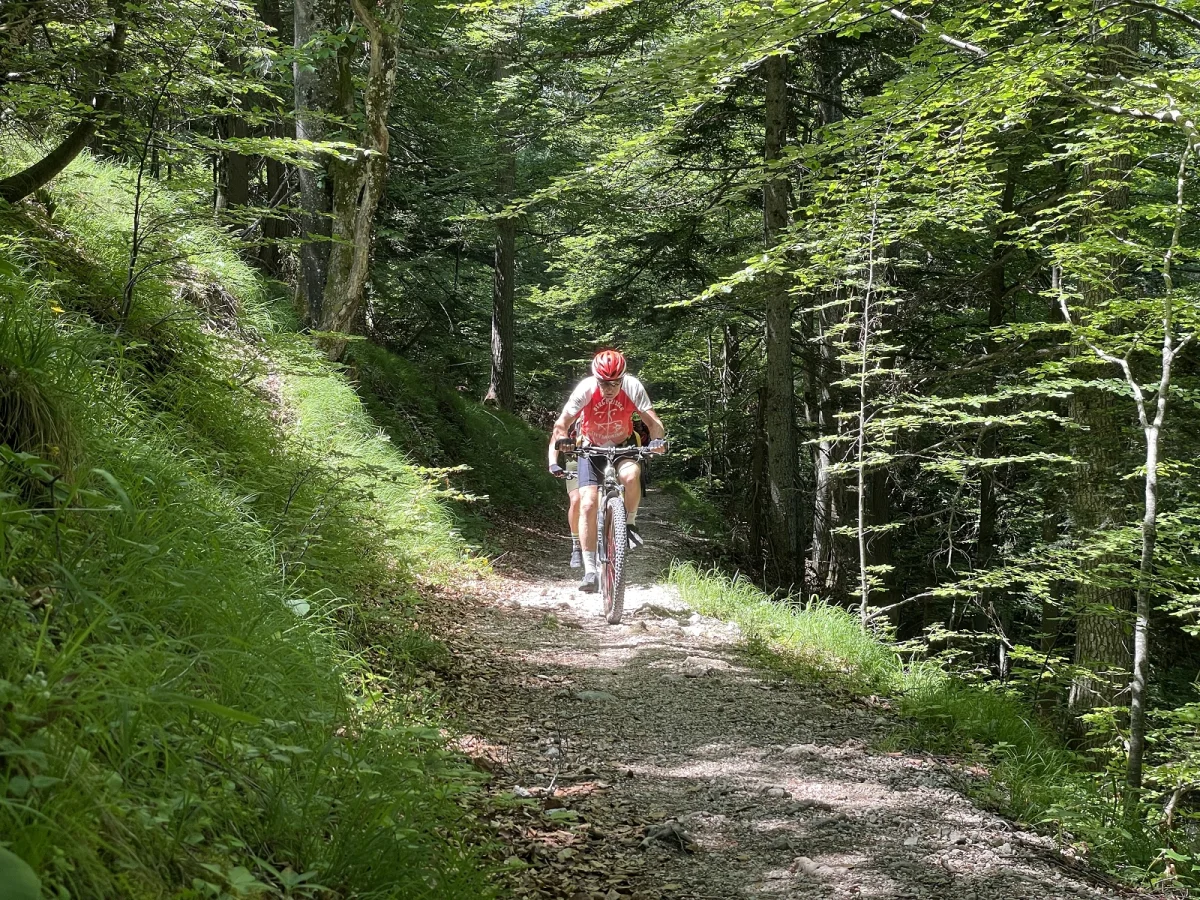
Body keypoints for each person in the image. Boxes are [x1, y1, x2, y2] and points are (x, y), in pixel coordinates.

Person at [548, 349, 666, 593]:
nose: (609, 388)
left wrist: (657, 441)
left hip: (623, 446)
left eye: (614, 383)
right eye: (604, 383)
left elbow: (653, 422)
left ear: (622, 379)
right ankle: (590, 569)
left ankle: (629, 524)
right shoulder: (586, 389)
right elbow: (561, 424)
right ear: (595, 378)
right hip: (591, 449)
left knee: (631, 476)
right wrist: (563, 441)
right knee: (588, 503)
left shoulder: (633, 387)